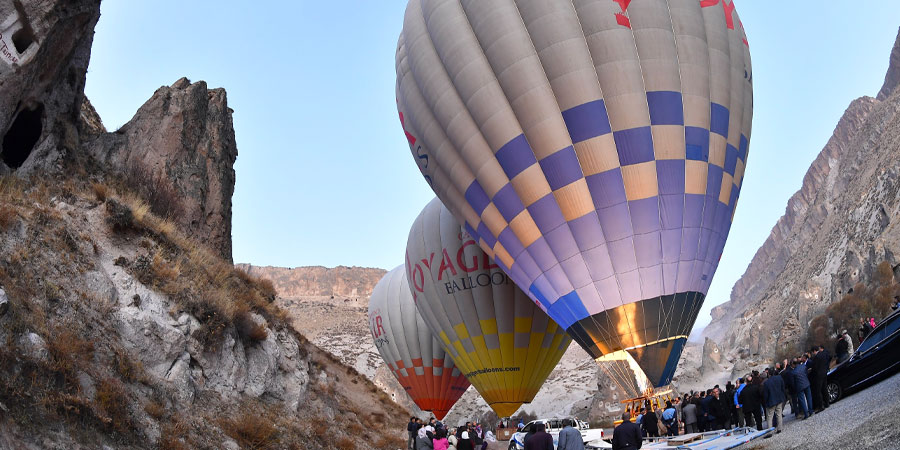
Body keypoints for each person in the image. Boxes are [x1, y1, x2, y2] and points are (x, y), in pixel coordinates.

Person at [762, 370, 786, 434]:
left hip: (771, 401)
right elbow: (783, 388)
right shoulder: (779, 378)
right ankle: (780, 428)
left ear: (769, 374)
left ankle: (770, 432)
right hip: (779, 398)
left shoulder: (766, 383)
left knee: (769, 417)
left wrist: (765, 402)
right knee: (779, 414)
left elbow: (766, 394)